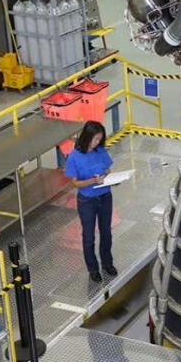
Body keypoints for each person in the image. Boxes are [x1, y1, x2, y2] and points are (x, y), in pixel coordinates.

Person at [65, 120, 117, 283]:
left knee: (106, 232)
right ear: (87, 137)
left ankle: (107, 263)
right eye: (95, 139)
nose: (97, 142)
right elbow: (74, 183)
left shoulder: (100, 151)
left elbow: (107, 169)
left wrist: (109, 178)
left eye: (100, 139)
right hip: (87, 200)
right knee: (88, 236)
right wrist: (92, 181)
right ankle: (93, 269)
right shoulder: (74, 157)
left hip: (105, 196)